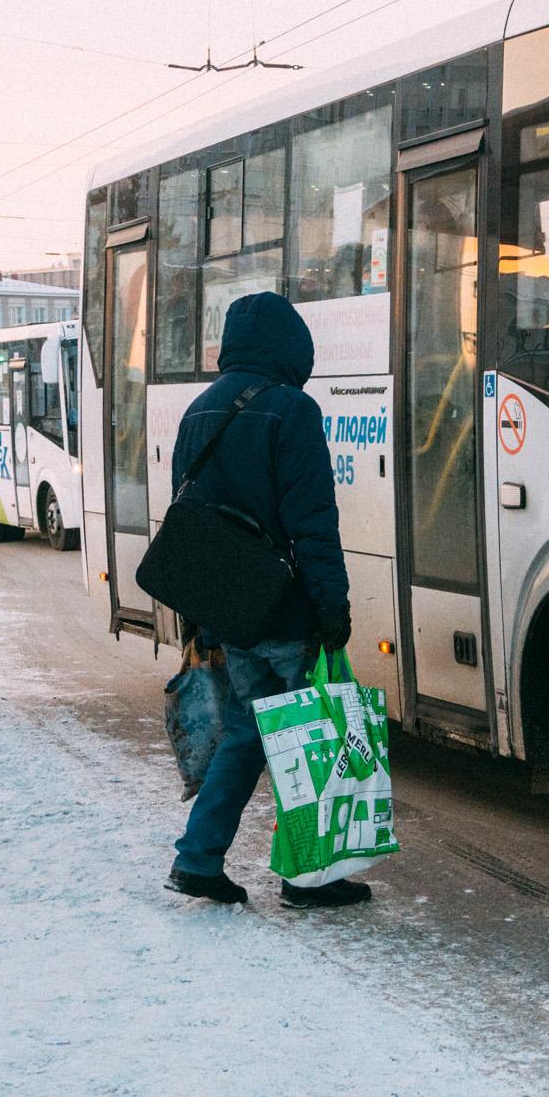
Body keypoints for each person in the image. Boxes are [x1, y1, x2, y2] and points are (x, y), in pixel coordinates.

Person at [163, 291, 364, 912]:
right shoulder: (291, 410)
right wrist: (332, 603)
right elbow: (313, 520)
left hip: (235, 610)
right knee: (308, 734)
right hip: (287, 606)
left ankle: (198, 859)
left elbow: (189, 523)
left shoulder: (197, 410)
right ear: (291, 345)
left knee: (248, 732)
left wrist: (205, 616)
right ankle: (310, 877)